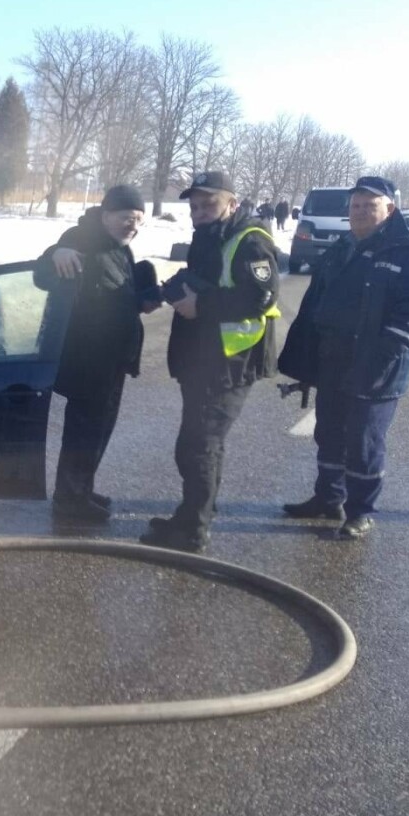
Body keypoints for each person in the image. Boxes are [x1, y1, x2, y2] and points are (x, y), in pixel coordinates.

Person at [276, 175, 409, 539]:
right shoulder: (343, 246)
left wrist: (380, 357)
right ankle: (328, 498)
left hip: (378, 369)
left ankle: (360, 511)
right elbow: (316, 304)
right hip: (334, 361)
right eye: (356, 206)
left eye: (370, 205)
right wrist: (307, 357)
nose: (361, 212)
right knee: (329, 434)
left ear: (390, 208)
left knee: (364, 442)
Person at [140, 171, 281, 552]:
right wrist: (170, 290)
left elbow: (262, 297)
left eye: (209, 203)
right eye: (194, 205)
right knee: (199, 444)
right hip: (204, 360)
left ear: (232, 203)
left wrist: (201, 304)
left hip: (230, 364)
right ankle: (194, 514)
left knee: (199, 445)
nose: (199, 211)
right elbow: (206, 280)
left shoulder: (250, 241)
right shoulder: (210, 237)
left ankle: (192, 530)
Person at [33, 184, 161, 523]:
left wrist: (145, 294)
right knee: (84, 431)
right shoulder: (81, 238)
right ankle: (69, 500)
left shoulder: (119, 247)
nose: (132, 225)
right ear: (106, 215)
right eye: (126, 217)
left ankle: (81, 488)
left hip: (113, 360)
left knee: (100, 428)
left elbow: (117, 296)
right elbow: (42, 275)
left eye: (138, 219)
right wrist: (55, 254)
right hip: (88, 360)